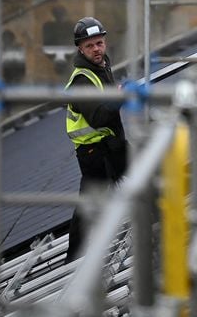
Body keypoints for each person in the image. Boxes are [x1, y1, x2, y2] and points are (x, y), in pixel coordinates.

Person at [64, 16, 128, 260]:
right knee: (90, 206)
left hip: (111, 145)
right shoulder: (81, 81)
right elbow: (99, 117)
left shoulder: (102, 66)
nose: (96, 49)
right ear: (80, 48)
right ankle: (74, 259)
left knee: (143, 174)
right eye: (90, 46)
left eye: (99, 43)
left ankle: (160, 220)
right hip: (94, 153)